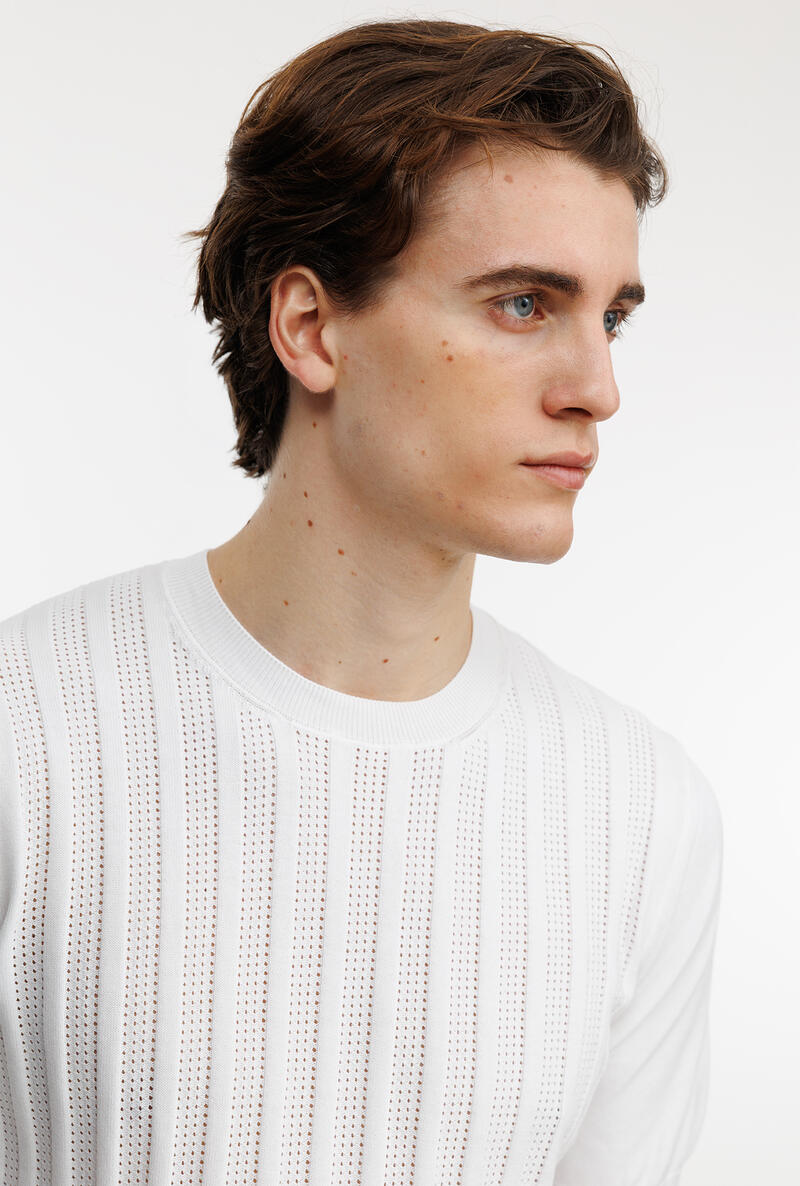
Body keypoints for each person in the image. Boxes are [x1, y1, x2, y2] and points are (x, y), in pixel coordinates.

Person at [0, 17, 723, 1185]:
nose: (596, 388)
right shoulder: (26, 730)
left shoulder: (640, 814)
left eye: (611, 316)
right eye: (523, 303)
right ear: (310, 327)